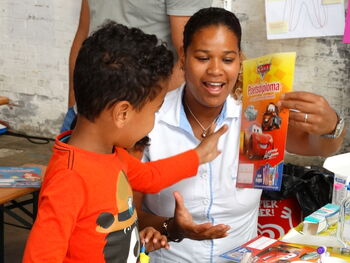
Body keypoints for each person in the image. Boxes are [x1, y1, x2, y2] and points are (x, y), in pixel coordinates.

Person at [136, 7, 346, 263]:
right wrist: (172, 227)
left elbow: (319, 147)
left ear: (239, 60)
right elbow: (129, 213)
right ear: (183, 57)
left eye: (227, 59)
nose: (215, 70)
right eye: (202, 58)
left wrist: (331, 126)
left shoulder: (255, 113)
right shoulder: (150, 119)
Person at [22, 21, 228, 263]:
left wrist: (198, 155)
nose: (154, 120)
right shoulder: (69, 179)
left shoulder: (112, 155)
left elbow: (150, 177)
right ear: (123, 114)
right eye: (154, 111)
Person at [61, 0, 212, 132]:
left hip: (137, 125)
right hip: (84, 115)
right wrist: (74, 105)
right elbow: (84, 31)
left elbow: (190, 59)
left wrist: (137, 121)